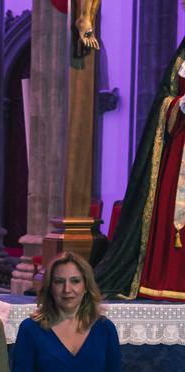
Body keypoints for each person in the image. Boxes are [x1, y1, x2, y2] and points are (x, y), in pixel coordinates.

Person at [94, 36, 185, 300]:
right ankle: (165, 279)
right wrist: (177, 105)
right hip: (179, 149)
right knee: (169, 209)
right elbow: (163, 102)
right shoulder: (181, 60)